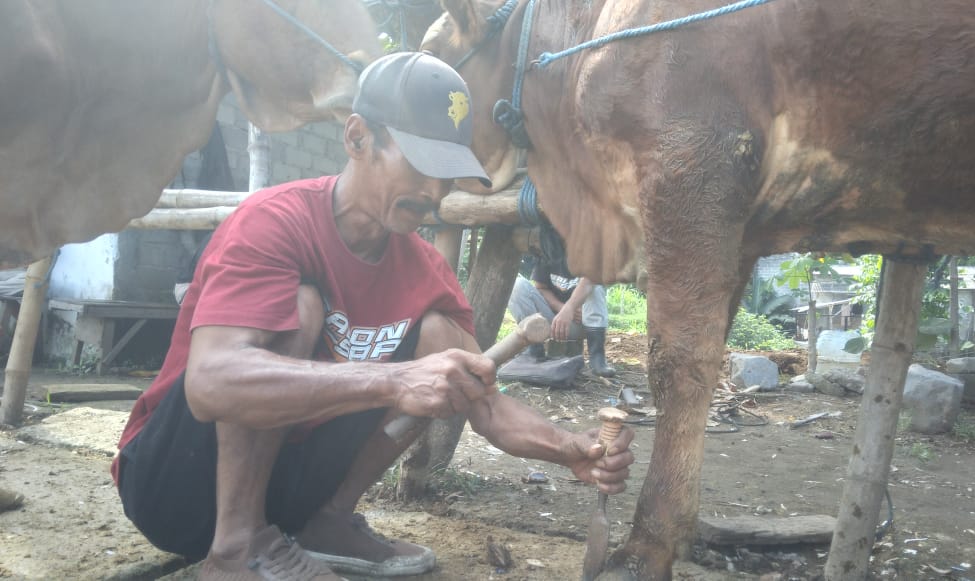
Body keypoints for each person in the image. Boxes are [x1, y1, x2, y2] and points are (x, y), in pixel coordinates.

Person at [110, 52, 633, 581]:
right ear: (357, 138)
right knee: (301, 308)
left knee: (441, 347)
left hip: (285, 492)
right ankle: (237, 548)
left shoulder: (426, 272)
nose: (434, 192)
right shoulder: (274, 222)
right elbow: (210, 383)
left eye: (447, 174)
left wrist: (570, 450)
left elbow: (488, 407)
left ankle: (326, 521)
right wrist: (394, 379)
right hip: (172, 480)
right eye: (419, 164)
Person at [508, 247, 617, 377]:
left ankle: (597, 357)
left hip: (582, 323)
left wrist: (570, 309)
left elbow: (589, 281)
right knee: (517, 286)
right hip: (551, 321)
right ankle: (535, 349)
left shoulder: (592, 249)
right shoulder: (548, 249)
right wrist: (562, 308)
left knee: (596, 287)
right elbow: (540, 288)